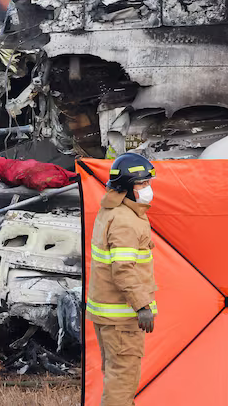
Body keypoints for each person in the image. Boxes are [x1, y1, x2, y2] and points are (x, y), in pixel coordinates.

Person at [88, 152, 158, 406]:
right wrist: (141, 305)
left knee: (117, 377)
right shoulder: (126, 221)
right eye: (142, 184)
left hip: (109, 315)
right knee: (122, 381)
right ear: (127, 188)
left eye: (149, 183)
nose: (148, 189)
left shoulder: (111, 210)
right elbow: (123, 269)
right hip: (122, 318)